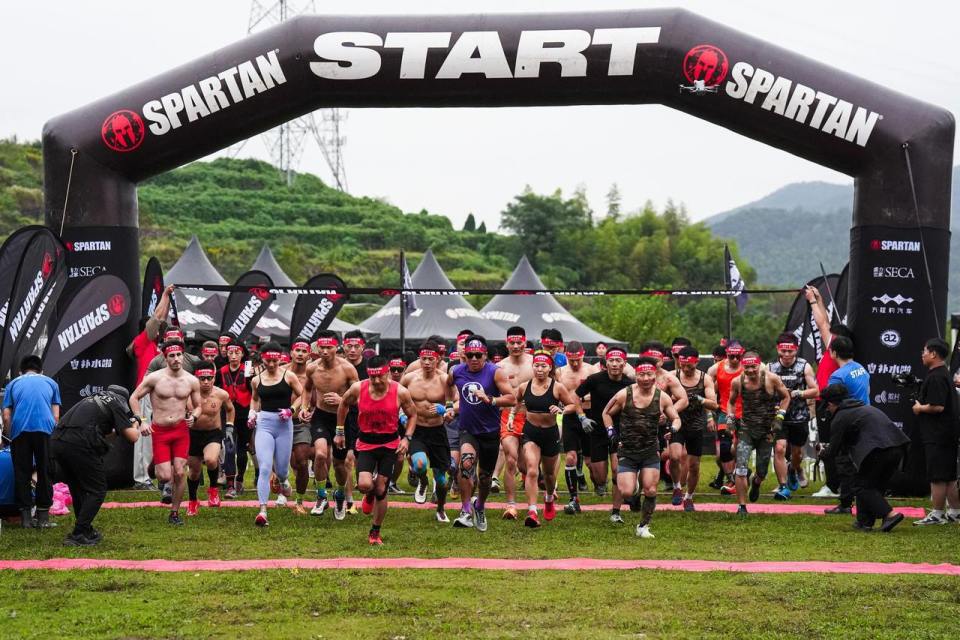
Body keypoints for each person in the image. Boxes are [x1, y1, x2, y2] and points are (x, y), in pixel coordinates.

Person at [337, 355, 418, 545]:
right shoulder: (359, 388)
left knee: (381, 488)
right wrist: (339, 431)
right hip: (366, 442)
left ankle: (375, 531)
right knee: (365, 485)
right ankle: (369, 494)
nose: (375, 380)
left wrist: (407, 439)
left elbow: (413, 415)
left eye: (379, 376)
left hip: (389, 444)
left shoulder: (401, 392)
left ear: (387, 373)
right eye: (371, 376)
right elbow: (343, 404)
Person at [51, 385, 140, 545]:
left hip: (58, 440)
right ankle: (79, 533)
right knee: (97, 489)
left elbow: (105, 432)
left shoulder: (92, 399)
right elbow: (132, 437)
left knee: (78, 487)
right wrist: (136, 422)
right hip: (78, 442)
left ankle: (85, 529)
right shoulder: (116, 403)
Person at [603, 356, 681, 539]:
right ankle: (634, 484)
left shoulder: (662, 397)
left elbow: (676, 418)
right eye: (642, 375)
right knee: (626, 492)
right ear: (636, 375)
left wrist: (673, 429)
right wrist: (610, 432)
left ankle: (643, 526)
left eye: (649, 374)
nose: (645, 379)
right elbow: (606, 413)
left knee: (651, 490)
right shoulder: (625, 394)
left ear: (655, 375)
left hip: (650, 450)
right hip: (627, 450)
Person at [444, 335, 516, 532]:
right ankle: (466, 510)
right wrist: (450, 406)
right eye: (470, 355)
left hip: (490, 432)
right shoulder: (456, 371)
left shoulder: (496, 373)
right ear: (464, 355)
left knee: (484, 478)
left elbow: (512, 399)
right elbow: (448, 384)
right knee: (465, 464)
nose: (474, 359)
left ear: (485, 355)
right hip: (467, 429)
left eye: (478, 355)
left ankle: (480, 506)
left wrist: (490, 399)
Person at [817, 383, 909, 532]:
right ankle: (864, 522)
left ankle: (890, 514)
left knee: (860, 485)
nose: (827, 410)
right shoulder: (863, 408)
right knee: (871, 485)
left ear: (831, 403)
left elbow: (833, 450)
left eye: (826, 407)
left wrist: (822, 453)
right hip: (898, 447)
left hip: (878, 450)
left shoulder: (840, 417)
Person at [129, 342, 202, 525]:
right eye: (172, 355)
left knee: (179, 472)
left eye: (179, 355)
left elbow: (199, 406)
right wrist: (141, 421)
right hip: (160, 430)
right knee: (164, 476)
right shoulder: (155, 378)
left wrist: (193, 416)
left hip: (180, 430)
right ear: (165, 357)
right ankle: (157, 464)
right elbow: (134, 398)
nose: (176, 359)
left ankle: (175, 513)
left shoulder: (191, 380)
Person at [299, 330, 359, 519]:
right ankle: (321, 495)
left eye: (329, 347)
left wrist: (342, 399)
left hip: (343, 418)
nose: (324, 351)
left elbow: (360, 397)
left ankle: (340, 495)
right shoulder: (312, 368)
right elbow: (307, 389)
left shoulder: (347, 369)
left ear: (336, 347)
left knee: (340, 464)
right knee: (320, 455)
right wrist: (304, 407)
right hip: (321, 416)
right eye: (321, 347)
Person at [517, 350, 581, 527]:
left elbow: (572, 405)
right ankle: (532, 511)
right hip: (531, 432)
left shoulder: (557, 387)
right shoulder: (524, 386)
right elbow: (516, 400)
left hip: (550, 433)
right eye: (536, 365)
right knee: (531, 469)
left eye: (543, 366)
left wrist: (561, 410)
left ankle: (549, 497)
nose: (539, 369)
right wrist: (514, 415)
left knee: (549, 475)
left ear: (549, 367)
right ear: (532, 366)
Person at [727, 351, 790, 517]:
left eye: (753, 367)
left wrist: (779, 417)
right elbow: (731, 402)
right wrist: (730, 418)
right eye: (747, 367)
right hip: (746, 429)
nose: (750, 371)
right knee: (740, 468)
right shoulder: (738, 381)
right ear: (743, 366)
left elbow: (786, 397)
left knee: (762, 471)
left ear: (759, 364)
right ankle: (742, 506)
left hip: (767, 431)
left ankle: (756, 483)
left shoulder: (771, 379)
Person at [576, 347, 634, 524]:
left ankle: (616, 512)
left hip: (620, 431)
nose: (615, 364)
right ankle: (600, 484)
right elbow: (575, 396)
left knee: (618, 471)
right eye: (612, 361)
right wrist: (582, 417)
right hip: (597, 430)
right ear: (606, 362)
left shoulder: (629, 383)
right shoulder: (594, 379)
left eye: (618, 361)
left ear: (624, 363)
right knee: (600, 475)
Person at [2, 355, 61, 528]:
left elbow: (6, 416)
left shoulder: (12, 384)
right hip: (45, 430)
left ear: (20, 371)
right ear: (41, 370)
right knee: (44, 471)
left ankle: (26, 519)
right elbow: (56, 415)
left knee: (21, 472)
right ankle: (43, 518)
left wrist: (11, 435)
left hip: (20, 431)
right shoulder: (51, 383)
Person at [249, 343, 304, 527]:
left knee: (281, 469)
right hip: (264, 423)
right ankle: (263, 511)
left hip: (284, 424)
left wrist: (292, 409)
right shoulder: (257, 379)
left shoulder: (288, 376)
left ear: (280, 358)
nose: (271, 364)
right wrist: (252, 413)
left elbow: (303, 395)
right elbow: (255, 399)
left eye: (274, 360)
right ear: (262, 359)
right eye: (267, 360)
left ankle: (283, 480)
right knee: (264, 467)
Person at [125, 284, 174, 491]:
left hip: (158, 395)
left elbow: (162, 319)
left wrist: (169, 300)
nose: (159, 330)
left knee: (157, 435)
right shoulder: (142, 342)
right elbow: (158, 317)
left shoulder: (155, 346)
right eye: (155, 328)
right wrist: (164, 296)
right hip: (144, 394)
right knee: (143, 438)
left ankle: (153, 475)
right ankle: (141, 479)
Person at [401, 341, 452, 522]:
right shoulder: (409, 378)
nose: (427, 362)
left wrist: (445, 410)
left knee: (442, 481)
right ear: (420, 359)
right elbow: (397, 397)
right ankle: (422, 482)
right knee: (420, 464)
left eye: (431, 359)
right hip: (417, 430)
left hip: (437, 431)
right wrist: (402, 415)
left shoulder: (445, 379)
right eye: (424, 359)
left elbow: (455, 403)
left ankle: (440, 509)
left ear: (437, 359)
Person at [911, 338, 960, 525]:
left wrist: (919, 408)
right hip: (947, 433)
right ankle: (955, 512)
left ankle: (937, 514)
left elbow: (937, 406)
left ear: (933, 354)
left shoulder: (936, 376)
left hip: (938, 434)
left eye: (924, 350)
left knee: (938, 476)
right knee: (948, 476)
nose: (922, 354)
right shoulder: (943, 374)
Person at [767, 334, 817, 500]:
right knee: (779, 449)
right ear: (778, 349)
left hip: (799, 416)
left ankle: (794, 469)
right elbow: (764, 391)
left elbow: (815, 390)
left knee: (797, 455)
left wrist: (797, 393)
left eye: (790, 351)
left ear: (796, 349)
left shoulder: (804, 366)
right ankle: (783, 486)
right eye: (783, 351)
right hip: (779, 416)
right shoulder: (770, 367)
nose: (787, 355)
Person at [669, 346, 719, 511]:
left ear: (696, 362)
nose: (685, 368)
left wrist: (699, 399)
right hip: (678, 423)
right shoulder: (673, 376)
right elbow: (661, 397)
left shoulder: (704, 379)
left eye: (689, 365)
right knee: (675, 457)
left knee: (694, 466)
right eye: (682, 364)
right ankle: (677, 486)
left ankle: (689, 496)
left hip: (696, 427)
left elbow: (714, 403)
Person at [640, 341, 689, 505]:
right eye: (650, 357)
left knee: (675, 456)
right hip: (640, 425)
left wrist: (668, 413)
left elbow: (684, 399)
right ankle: (641, 489)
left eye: (657, 358)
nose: (653, 361)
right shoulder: (635, 375)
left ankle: (676, 486)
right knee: (643, 457)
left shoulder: (668, 377)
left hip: (663, 424)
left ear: (663, 359)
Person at [185, 364, 234, 516]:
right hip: (193, 434)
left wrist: (230, 426)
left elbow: (230, 409)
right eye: (202, 378)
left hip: (213, 433)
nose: (206, 381)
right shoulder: (188, 394)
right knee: (194, 472)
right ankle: (193, 501)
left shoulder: (221, 394)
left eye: (209, 378)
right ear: (196, 378)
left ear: (214, 378)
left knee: (211, 460)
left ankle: (213, 489)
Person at [557, 341, 599, 514]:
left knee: (591, 462)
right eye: (571, 360)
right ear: (566, 356)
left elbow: (600, 392)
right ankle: (574, 498)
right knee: (570, 458)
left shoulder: (591, 370)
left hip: (590, 416)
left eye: (578, 360)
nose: (574, 363)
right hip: (570, 418)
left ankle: (598, 484)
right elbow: (558, 394)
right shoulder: (560, 372)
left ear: (583, 355)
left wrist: (582, 398)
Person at [496, 325, 533, 519]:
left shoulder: (535, 364)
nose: (516, 345)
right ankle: (511, 506)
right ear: (507, 343)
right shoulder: (500, 366)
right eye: (512, 342)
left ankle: (536, 503)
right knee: (510, 459)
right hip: (508, 417)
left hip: (531, 417)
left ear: (525, 343)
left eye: (519, 342)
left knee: (527, 465)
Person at [708, 341, 744, 495]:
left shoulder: (752, 366)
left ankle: (740, 476)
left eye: (738, 356)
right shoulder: (716, 368)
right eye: (731, 356)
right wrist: (709, 414)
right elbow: (708, 391)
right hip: (725, 412)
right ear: (727, 354)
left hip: (746, 413)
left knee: (740, 447)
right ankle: (732, 479)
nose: (735, 359)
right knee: (724, 448)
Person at [219, 342, 254, 499]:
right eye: (230, 352)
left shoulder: (247, 369)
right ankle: (231, 484)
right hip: (227, 414)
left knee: (241, 450)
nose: (233, 356)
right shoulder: (221, 371)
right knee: (229, 449)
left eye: (237, 353)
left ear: (242, 354)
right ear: (226, 354)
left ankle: (240, 478)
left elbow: (254, 392)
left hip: (244, 413)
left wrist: (252, 376)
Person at [287, 339, 314, 514]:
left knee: (302, 461)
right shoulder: (281, 371)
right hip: (279, 422)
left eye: (304, 351)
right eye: (297, 350)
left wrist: (313, 412)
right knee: (285, 463)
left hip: (301, 422)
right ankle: (279, 478)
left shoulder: (312, 375)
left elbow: (317, 399)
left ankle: (299, 501)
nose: (300, 354)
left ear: (309, 355)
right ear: (291, 352)